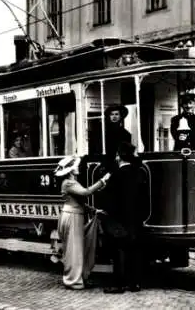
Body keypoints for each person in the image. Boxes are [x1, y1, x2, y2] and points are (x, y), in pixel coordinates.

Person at [54, 155, 111, 290]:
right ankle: (73, 280)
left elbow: (79, 202)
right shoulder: (69, 183)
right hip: (72, 216)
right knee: (75, 249)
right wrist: (103, 180)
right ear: (71, 170)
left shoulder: (71, 182)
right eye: (76, 167)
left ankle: (78, 278)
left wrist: (93, 210)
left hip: (73, 214)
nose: (78, 168)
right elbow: (86, 193)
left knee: (77, 248)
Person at [102, 142, 145, 294]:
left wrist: (107, 213)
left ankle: (118, 285)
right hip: (136, 218)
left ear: (119, 157)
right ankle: (135, 284)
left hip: (119, 219)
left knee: (119, 251)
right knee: (135, 251)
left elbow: (110, 199)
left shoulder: (116, 175)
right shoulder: (138, 172)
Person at [103, 104, 132, 171]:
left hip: (119, 164)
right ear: (109, 116)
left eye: (116, 114)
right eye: (112, 114)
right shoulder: (103, 133)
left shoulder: (126, 134)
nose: (114, 116)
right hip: (105, 162)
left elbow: (126, 151)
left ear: (120, 116)